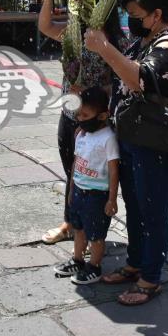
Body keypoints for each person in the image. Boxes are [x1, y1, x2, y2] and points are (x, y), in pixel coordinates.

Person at [84, 0, 168, 306]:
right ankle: (135, 262)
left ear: (157, 15)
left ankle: (150, 278)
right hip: (131, 138)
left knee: (153, 212)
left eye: (135, 15)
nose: (130, 20)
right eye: (127, 14)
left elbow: (139, 79)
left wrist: (105, 49)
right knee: (136, 208)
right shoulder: (143, 40)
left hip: (154, 144)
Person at [37, 0, 129, 245]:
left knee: (95, 179)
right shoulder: (74, 33)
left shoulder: (114, 42)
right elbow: (45, 26)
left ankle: (93, 232)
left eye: (85, 2)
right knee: (72, 173)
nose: (78, 7)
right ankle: (71, 225)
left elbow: (123, 80)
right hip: (70, 115)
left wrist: (92, 98)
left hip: (97, 123)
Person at [53, 86, 119, 285]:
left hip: (97, 195)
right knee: (79, 229)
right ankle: (78, 260)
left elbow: (114, 170)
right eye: (78, 114)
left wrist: (112, 199)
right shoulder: (80, 134)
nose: (80, 118)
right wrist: (71, 190)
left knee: (96, 235)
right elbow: (75, 162)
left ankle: (95, 266)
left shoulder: (108, 138)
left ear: (102, 115)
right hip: (79, 191)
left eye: (85, 115)